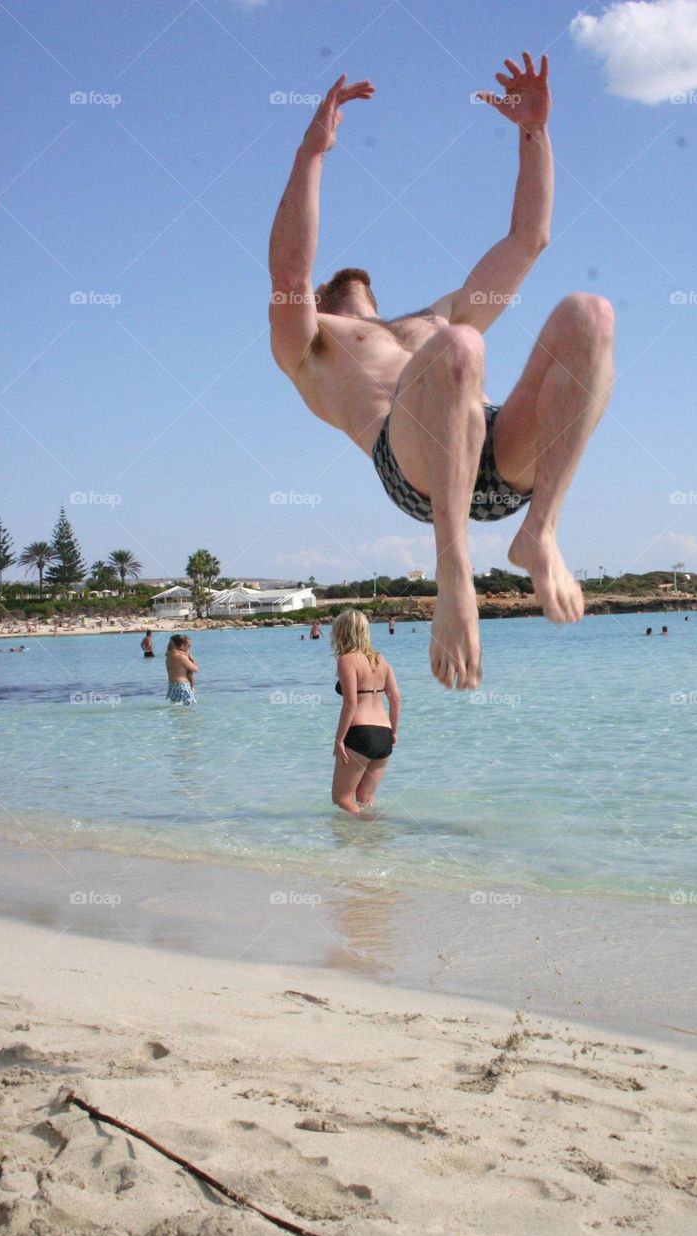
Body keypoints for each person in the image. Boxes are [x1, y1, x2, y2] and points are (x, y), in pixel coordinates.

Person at [268, 53, 614, 692]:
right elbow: (289, 273)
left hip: (496, 454)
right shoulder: (314, 342)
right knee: (460, 347)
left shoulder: (434, 316)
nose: (349, 277)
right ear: (318, 299)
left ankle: (540, 533)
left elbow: (528, 237)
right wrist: (311, 153)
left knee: (588, 316)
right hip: (414, 470)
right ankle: (454, 576)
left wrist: (533, 132)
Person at [331, 609, 400, 815]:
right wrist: (394, 732)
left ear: (342, 632)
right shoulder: (381, 660)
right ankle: (374, 837)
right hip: (384, 734)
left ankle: (366, 833)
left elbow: (351, 703)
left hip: (360, 733)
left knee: (342, 799)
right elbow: (395, 698)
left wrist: (339, 739)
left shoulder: (347, 659)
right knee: (365, 798)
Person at [165, 634, 198, 706]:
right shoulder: (181, 657)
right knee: (192, 708)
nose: (189, 649)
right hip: (182, 686)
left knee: (178, 710)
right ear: (182, 646)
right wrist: (191, 658)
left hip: (172, 686)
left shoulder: (168, 655)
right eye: (188, 646)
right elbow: (195, 669)